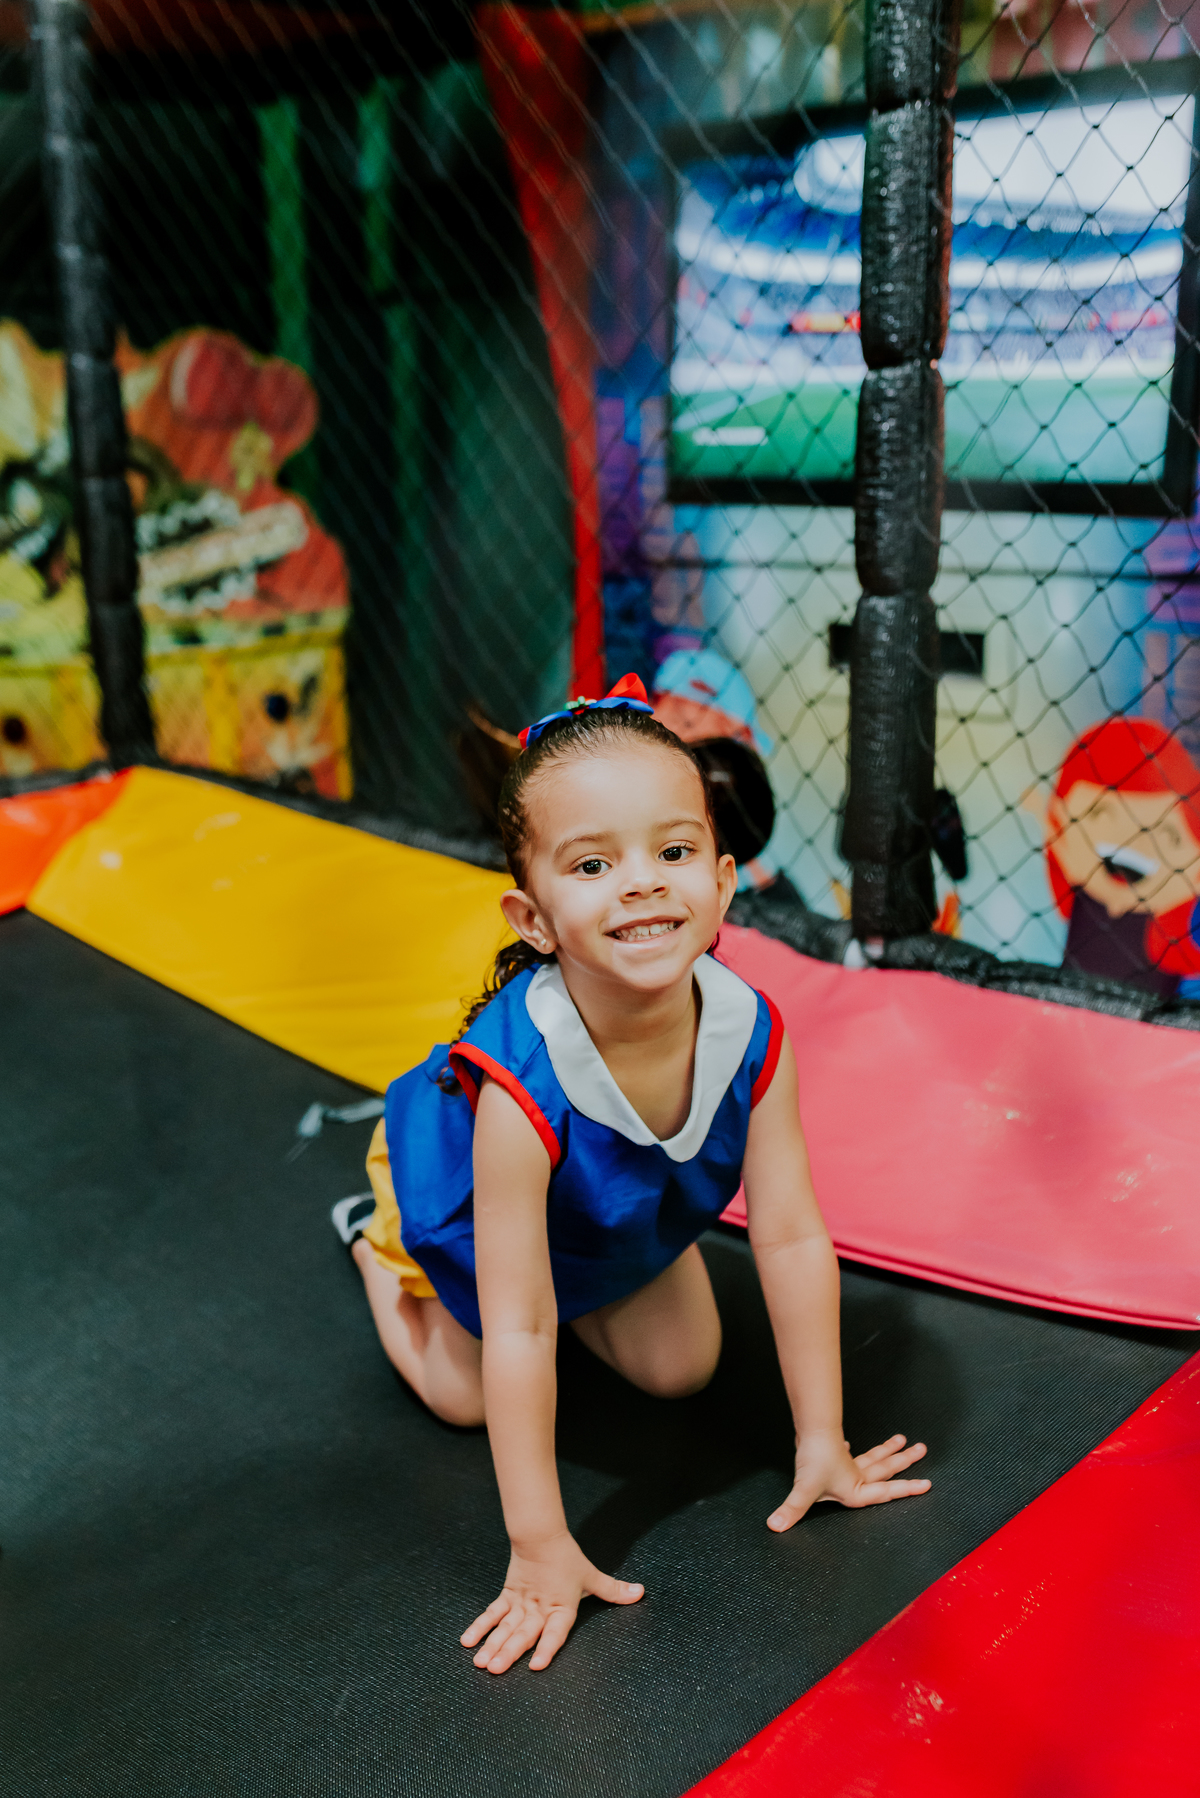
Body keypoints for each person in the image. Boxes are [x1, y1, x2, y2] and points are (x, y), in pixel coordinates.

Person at [332, 673, 930, 1676]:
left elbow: (789, 1234)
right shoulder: (519, 1085)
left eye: (674, 851)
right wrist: (539, 1544)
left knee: (682, 1366)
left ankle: (596, 1273)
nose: (643, 882)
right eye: (593, 863)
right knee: (464, 1395)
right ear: (532, 918)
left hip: (598, 1215)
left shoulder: (750, 1030)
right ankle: (367, 1241)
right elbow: (522, 1326)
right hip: (461, 1194)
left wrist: (822, 1439)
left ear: (725, 881)